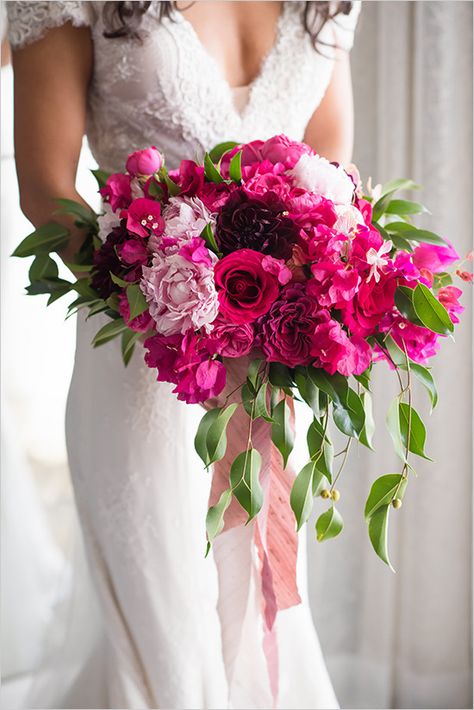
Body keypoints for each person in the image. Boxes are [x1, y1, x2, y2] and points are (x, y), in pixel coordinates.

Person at [6, 2, 361, 708]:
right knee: (164, 619)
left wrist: (302, 294)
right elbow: (45, 189)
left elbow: (330, 157)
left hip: (270, 369)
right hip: (143, 358)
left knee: (256, 606)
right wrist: (177, 299)